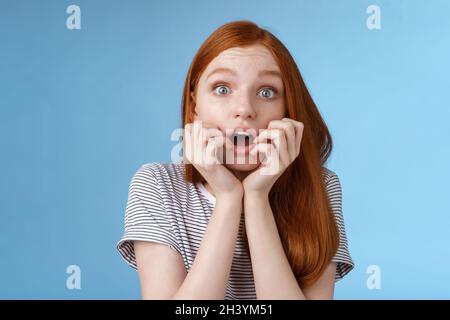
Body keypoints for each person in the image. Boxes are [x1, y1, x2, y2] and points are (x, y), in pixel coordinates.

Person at [117, 20, 354, 300]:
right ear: (195, 107)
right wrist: (228, 198)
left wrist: (256, 197)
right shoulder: (156, 184)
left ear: (287, 110)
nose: (244, 109)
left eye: (267, 92)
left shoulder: (321, 186)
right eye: (222, 89)